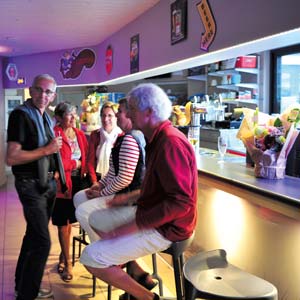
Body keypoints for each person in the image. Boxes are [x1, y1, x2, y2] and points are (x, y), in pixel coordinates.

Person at [78, 83, 198, 300]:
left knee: (91, 257)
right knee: (95, 219)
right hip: (153, 216)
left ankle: (146, 297)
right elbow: (159, 189)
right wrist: (129, 196)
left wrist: (131, 227)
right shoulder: (157, 139)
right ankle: (133, 268)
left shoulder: (170, 143)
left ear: (149, 112)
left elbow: (180, 202)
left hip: (169, 229)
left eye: (131, 109)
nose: (127, 114)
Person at [6, 74, 62, 300]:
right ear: (31, 90)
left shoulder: (45, 117)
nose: (43, 95)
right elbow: (11, 157)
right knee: (42, 242)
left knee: (32, 236)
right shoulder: (21, 115)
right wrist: (46, 151)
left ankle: (23, 285)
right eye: (39, 90)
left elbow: (50, 150)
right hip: (30, 184)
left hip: (45, 184)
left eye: (48, 92)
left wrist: (55, 171)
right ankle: (27, 295)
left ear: (53, 95)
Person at [74, 98, 146, 242]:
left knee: (83, 212)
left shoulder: (130, 139)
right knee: (79, 197)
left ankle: (105, 246)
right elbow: (113, 172)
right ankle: (107, 240)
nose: (117, 115)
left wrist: (101, 193)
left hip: (129, 200)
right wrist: (98, 185)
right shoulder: (124, 138)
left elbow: (125, 179)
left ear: (130, 114)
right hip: (121, 192)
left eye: (119, 112)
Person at [52, 102, 89, 282]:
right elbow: (57, 163)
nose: (74, 118)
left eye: (75, 113)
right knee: (63, 224)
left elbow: (87, 158)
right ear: (59, 117)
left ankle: (63, 255)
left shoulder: (80, 134)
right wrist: (76, 164)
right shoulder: (54, 135)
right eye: (69, 114)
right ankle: (68, 264)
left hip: (78, 182)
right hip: (62, 185)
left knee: (71, 222)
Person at [87, 101, 122, 186]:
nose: (106, 119)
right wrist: (94, 182)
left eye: (110, 115)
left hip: (116, 182)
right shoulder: (95, 134)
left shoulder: (122, 136)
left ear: (116, 117)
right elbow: (90, 162)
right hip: (97, 180)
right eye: (103, 115)